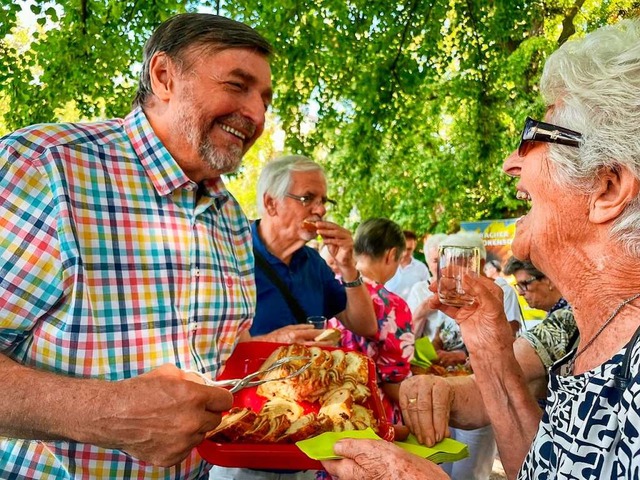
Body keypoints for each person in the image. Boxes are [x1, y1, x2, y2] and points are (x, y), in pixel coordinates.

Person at [321, 18, 640, 480]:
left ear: (607, 188)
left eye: (537, 134)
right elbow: (543, 467)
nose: (512, 162)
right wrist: (487, 341)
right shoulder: (578, 322)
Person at [0, 13, 274, 479]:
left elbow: (218, 349)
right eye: (237, 85)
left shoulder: (228, 213)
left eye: (266, 98)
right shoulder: (46, 167)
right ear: (163, 76)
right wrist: (107, 411)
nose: (257, 114)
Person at [238, 155, 377, 345]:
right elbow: (207, 350)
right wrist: (273, 342)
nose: (321, 211)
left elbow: (366, 327)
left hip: (307, 374)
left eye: (323, 201)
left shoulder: (313, 262)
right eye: (307, 198)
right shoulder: (233, 256)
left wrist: (348, 267)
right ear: (271, 203)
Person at [336, 218, 415, 423]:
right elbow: (395, 380)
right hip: (374, 415)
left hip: (330, 409)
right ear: (391, 255)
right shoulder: (393, 306)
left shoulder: (330, 288)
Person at [407, 233, 447, 339]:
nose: (441, 266)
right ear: (428, 264)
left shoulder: (464, 288)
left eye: (445, 259)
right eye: (435, 261)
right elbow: (410, 338)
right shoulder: (419, 290)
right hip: (430, 353)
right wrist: (423, 310)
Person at [385, 230, 430, 301]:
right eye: (403, 249)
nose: (405, 253)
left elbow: (427, 292)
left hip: (413, 311)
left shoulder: (421, 268)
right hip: (389, 310)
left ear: (414, 245)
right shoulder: (386, 265)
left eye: (409, 249)